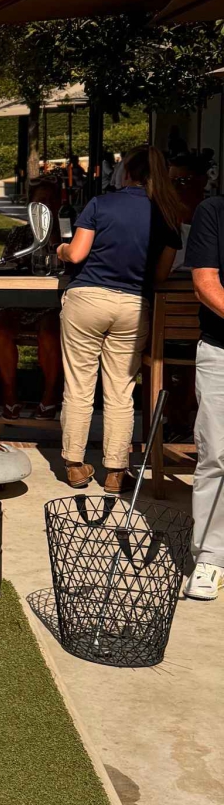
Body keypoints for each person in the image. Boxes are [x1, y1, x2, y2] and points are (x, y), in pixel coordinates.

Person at [55, 146, 184, 493]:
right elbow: (160, 275)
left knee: (79, 385)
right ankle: (115, 470)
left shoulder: (101, 204)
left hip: (87, 299)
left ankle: (75, 465)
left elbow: (77, 253)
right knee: (120, 391)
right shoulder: (168, 214)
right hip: (133, 306)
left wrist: (60, 249)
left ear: (127, 172)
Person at [0, 178, 64, 421]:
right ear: (31, 206)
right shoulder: (19, 234)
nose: (46, 206)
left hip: (51, 304)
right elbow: (6, 266)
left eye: (51, 201)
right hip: (17, 300)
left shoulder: (67, 234)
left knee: (51, 332)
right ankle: (10, 394)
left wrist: (53, 239)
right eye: (41, 202)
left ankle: (50, 395)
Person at [184, 188, 224, 601]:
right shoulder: (214, 210)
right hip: (221, 349)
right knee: (216, 455)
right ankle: (212, 557)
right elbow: (205, 283)